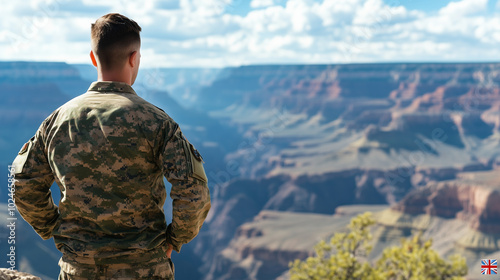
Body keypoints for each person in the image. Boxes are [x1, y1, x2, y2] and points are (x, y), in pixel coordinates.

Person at [11, 13, 211, 280]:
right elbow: (193, 190)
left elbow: (23, 182)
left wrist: (53, 228)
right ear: (133, 58)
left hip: (78, 269)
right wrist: (175, 239)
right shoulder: (158, 122)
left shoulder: (57, 121)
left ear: (93, 59)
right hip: (145, 269)